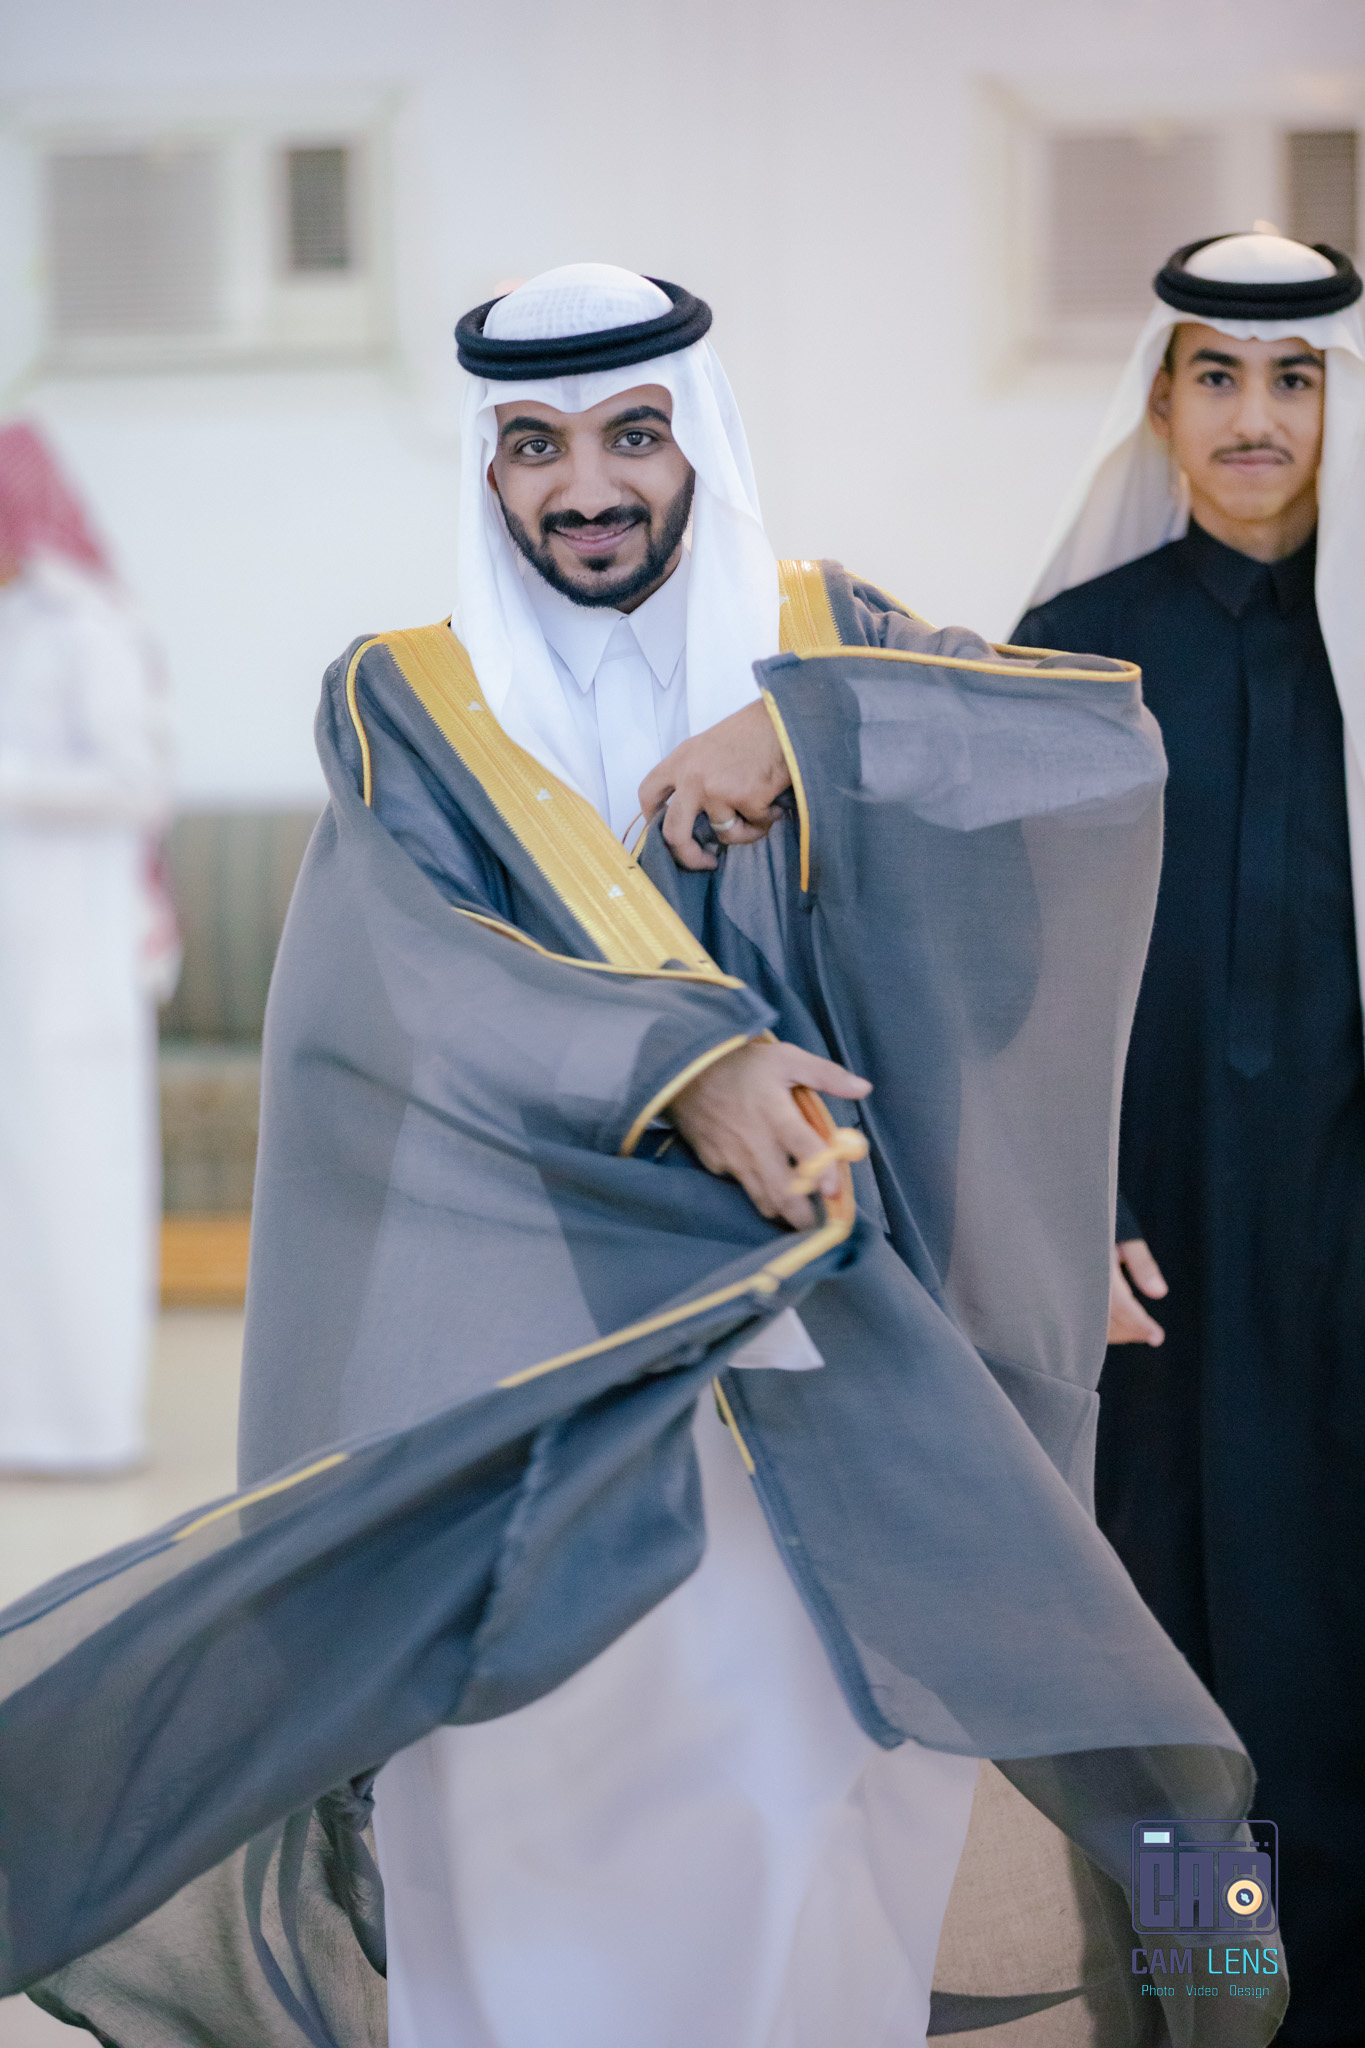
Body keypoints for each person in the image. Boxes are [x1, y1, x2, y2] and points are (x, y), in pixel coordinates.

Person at [2, 268, 1281, 2048]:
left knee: (827, 1794)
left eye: (631, 435)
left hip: (838, 1362)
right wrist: (688, 1066)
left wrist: (809, 732)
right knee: (522, 1813)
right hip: (532, 1375)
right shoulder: (409, 702)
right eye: (534, 445)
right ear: (488, 466)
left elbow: (1082, 755)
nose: (584, 486)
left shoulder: (831, 635)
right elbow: (413, 982)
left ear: (701, 444)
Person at [1015, 227, 1365, 2048]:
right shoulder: (1076, 657)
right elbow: (995, 984)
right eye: (1215, 375)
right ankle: (1210, 2013)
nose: (1255, 418)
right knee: (1177, 1681)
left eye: (1294, 378)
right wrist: (1069, 1206)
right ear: (1158, 404)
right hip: (1148, 1272)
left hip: (1344, 1253)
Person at [0, 422, 174, 1475]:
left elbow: (138, 785)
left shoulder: (85, 624)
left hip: (74, 969)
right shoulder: (16, 620)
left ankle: (88, 1425)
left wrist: (8, 780)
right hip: (18, 963)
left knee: (75, 1184)